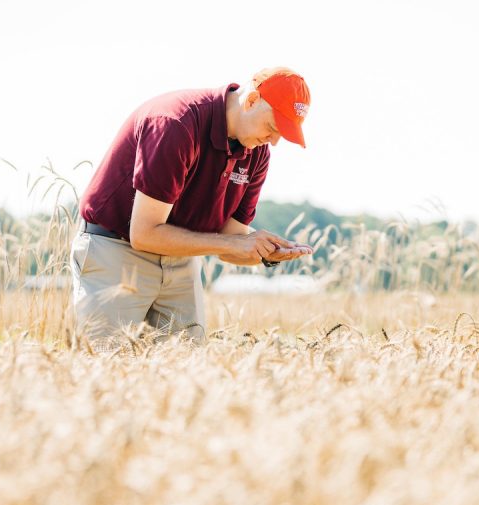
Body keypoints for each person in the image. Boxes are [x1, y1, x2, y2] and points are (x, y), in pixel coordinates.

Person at [70, 67, 313, 342]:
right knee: (106, 366)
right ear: (252, 100)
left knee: (187, 373)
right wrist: (235, 244)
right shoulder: (176, 123)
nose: (275, 141)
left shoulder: (257, 154)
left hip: (181, 256)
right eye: (272, 127)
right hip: (116, 251)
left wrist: (264, 252)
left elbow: (229, 242)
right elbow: (144, 233)